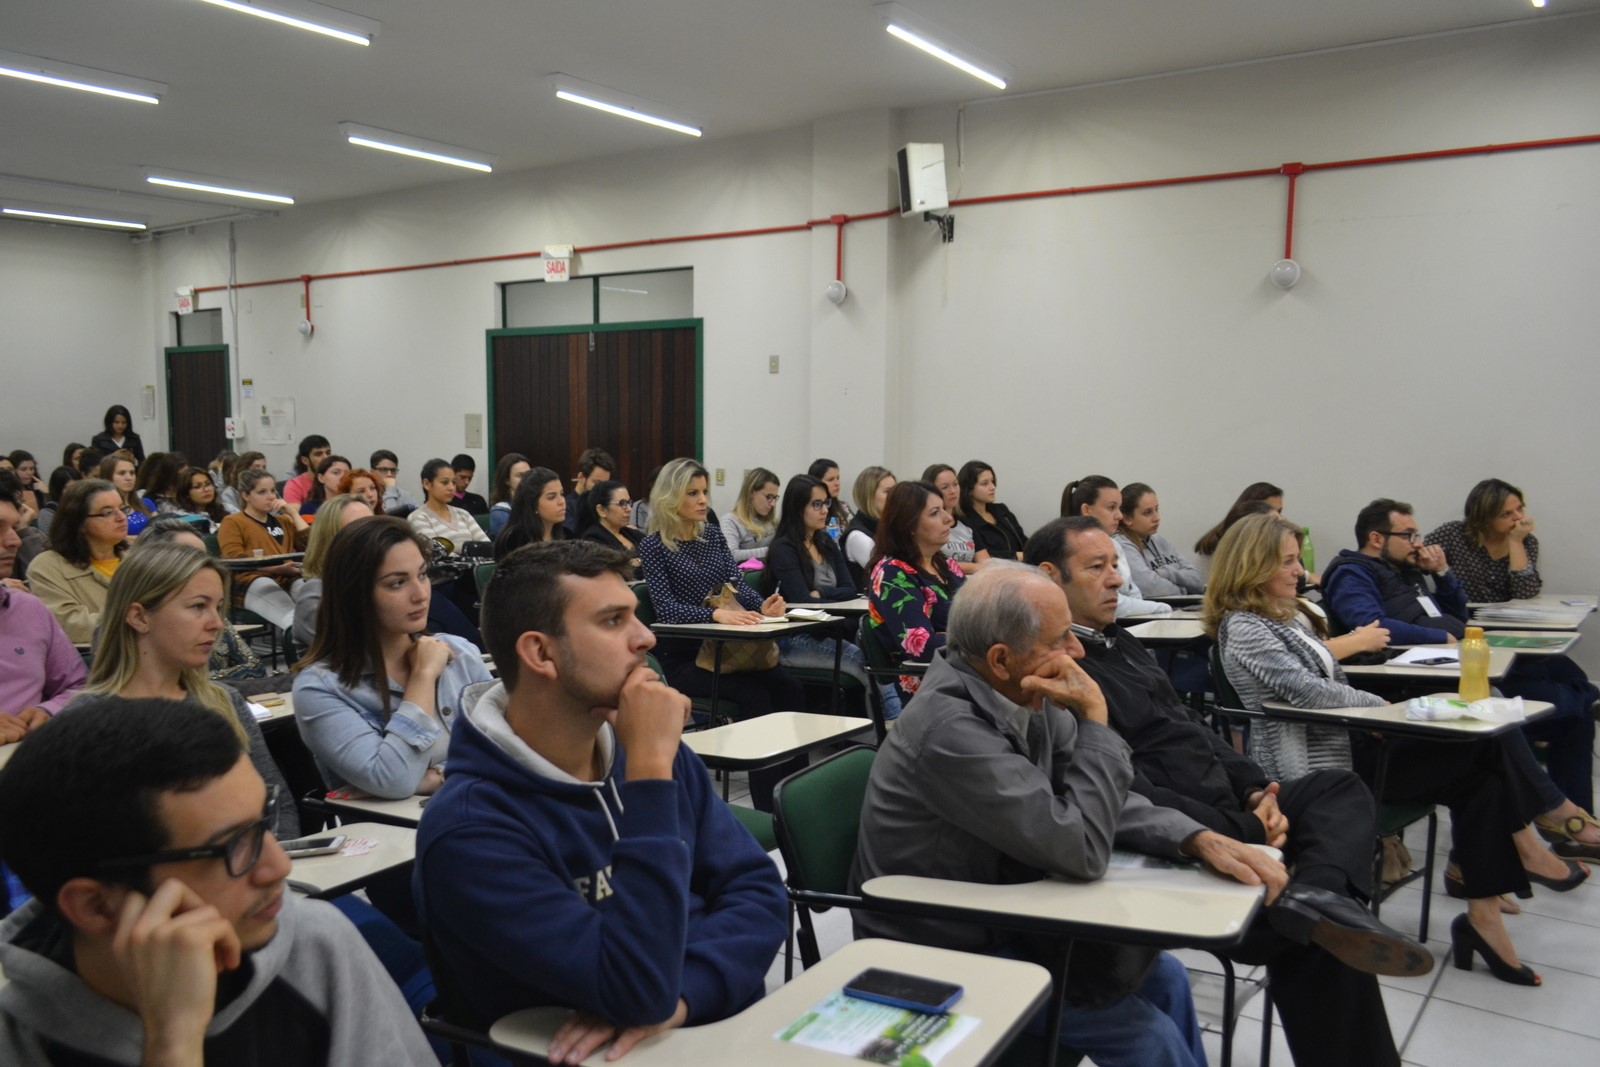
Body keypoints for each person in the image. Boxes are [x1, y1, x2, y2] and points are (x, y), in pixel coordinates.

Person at [1027, 516, 1433, 1067]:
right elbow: (1127, 792)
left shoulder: (1118, 641)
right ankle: (1311, 909)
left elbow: (1190, 728)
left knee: (1337, 789)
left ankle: (1314, 899)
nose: (1117, 580)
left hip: (1226, 807)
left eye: (1114, 565)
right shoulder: (1058, 671)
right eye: (1097, 568)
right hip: (1173, 838)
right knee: (1316, 948)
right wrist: (1243, 828)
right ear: (1051, 577)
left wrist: (1252, 789)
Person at [852, 562, 1283, 1067]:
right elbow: (1078, 848)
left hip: (1003, 911)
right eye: (1061, 640)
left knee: (1165, 979)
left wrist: (1193, 837)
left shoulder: (1016, 691)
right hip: (937, 942)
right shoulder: (949, 732)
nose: (1077, 652)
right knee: (1146, 1039)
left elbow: (1095, 794)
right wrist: (1096, 719)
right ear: (1001, 658)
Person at [415, 540, 789, 1047]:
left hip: (712, 1030)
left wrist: (682, 997)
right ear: (540, 652)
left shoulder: (650, 749)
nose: (647, 638)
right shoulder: (470, 829)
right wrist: (651, 776)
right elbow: (636, 991)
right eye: (614, 621)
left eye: (635, 616)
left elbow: (759, 892)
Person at [1210, 512, 1593, 987]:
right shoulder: (1245, 627)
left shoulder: (1287, 617)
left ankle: (1486, 912)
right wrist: (1381, 706)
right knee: (1482, 750)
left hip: (1348, 742)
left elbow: (1325, 679)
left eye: (1295, 560)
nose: (1300, 571)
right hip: (1319, 769)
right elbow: (1309, 691)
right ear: (1251, 567)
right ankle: (1540, 830)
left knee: (1484, 777)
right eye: (1286, 562)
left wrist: (1377, 708)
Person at [0, 698, 436, 1066]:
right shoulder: (20, 1043)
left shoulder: (312, 941)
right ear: (95, 906)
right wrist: (175, 1041)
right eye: (232, 847)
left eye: (262, 820)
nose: (278, 868)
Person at [1323, 498, 1600, 816]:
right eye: (1409, 535)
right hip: (1423, 677)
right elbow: (1371, 626)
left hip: (1458, 655)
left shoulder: (1406, 572)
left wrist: (1441, 574)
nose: (1418, 544)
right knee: (1547, 695)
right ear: (1376, 538)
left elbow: (1456, 615)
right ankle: (1588, 702)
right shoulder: (1352, 573)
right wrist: (1438, 637)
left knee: (1569, 705)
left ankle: (1577, 825)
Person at [77, 543, 298, 840]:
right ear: (139, 617)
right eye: (198, 606)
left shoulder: (222, 701)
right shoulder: (85, 723)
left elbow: (277, 803)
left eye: (218, 607)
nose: (217, 623)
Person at [638, 457, 802, 810]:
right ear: (670, 497)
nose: (703, 501)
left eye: (705, 492)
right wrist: (715, 614)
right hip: (685, 658)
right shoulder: (653, 546)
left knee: (790, 687)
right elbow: (665, 609)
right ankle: (769, 805)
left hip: (730, 651)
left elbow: (738, 584)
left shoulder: (711, 535)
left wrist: (763, 607)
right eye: (692, 493)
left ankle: (798, 791)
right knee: (754, 697)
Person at [293, 516, 491, 800]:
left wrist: (436, 776)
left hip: (484, 819)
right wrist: (423, 676)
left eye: (422, 575)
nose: (421, 595)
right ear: (354, 594)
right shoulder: (320, 689)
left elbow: (508, 749)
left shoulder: (457, 651)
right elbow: (395, 778)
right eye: (397, 583)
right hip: (394, 839)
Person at [768, 475, 900, 719]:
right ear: (798, 508)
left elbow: (850, 588)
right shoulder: (784, 549)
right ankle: (888, 727)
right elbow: (802, 603)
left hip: (832, 629)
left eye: (826, 503)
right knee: (865, 662)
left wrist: (822, 593)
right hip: (794, 638)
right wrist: (823, 598)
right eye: (816, 504)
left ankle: (896, 722)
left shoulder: (826, 541)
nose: (824, 510)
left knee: (881, 648)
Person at [862, 481, 965, 703]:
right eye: (935, 513)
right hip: (926, 686)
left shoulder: (946, 565)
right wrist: (981, 639)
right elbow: (923, 647)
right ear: (909, 525)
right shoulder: (892, 574)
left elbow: (979, 615)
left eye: (945, 510)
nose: (949, 519)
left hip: (962, 672)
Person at [132, 521, 269, 685]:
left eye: (204, 558)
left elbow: (255, 667)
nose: (216, 624)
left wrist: (203, 683)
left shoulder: (212, 614)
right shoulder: (130, 628)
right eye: (190, 559)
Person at [0, 489, 84, 743]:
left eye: (15, 527)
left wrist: (48, 711)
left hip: (29, 763)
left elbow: (79, 687)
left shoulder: (29, 609)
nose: (15, 541)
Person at [27, 478, 127, 643]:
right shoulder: (47, 566)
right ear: (79, 522)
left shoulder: (137, 556)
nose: (121, 517)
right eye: (108, 512)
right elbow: (69, 625)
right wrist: (134, 617)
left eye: (122, 509)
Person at [1064, 475, 1172, 618]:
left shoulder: (1114, 544)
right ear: (1086, 510)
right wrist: (1160, 608)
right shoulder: (1071, 547)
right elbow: (1108, 601)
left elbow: (1133, 592)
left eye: (1119, 508)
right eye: (1111, 508)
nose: (1119, 516)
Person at [216, 469, 309, 634]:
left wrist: (293, 513)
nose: (271, 496)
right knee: (291, 617)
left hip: (286, 577)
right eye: (262, 492)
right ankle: (299, 649)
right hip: (251, 579)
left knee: (312, 602)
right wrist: (276, 569)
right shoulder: (233, 522)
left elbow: (310, 546)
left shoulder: (284, 521)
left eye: (273, 491)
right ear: (246, 496)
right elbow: (236, 560)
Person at [1425, 477, 1542, 602]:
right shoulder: (1452, 533)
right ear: (1485, 518)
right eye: (1506, 514)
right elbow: (1416, 561)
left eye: (1519, 509)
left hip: (1505, 618)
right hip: (1460, 614)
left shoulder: (1526, 541)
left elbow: (1525, 593)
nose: (1519, 517)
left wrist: (1516, 542)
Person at [291, 494, 374, 650]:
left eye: (373, 526)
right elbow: (357, 655)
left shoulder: (380, 581)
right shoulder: (315, 594)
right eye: (358, 529)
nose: (373, 536)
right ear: (331, 539)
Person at [1114, 482, 1204, 595]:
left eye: (1156, 509)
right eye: (1147, 513)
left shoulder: (1159, 541)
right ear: (1127, 519)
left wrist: (1166, 573)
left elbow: (1198, 580)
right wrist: (1185, 590)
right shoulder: (1122, 545)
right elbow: (1148, 587)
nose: (1156, 518)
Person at [407, 457, 490, 550]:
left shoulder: (463, 514)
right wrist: (470, 548)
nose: (451, 488)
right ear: (427, 484)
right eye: (445, 482)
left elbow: (487, 546)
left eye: (453, 482)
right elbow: (436, 551)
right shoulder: (418, 518)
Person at [493, 465, 568, 560]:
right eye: (551, 497)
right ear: (532, 504)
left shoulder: (566, 534)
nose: (561, 502)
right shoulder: (514, 540)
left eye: (562, 494)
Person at [920, 463, 986, 573]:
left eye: (955, 484)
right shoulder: (928, 524)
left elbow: (984, 562)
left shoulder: (966, 523)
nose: (953, 491)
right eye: (945, 487)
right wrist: (975, 567)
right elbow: (934, 563)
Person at [958, 460, 1026, 561]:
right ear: (969, 490)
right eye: (985, 484)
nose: (993, 487)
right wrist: (1017, 555)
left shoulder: (1002, 511)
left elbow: (1023, 540)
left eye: (992, 482)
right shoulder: (966, 521)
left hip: (1024, 567)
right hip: (994, 572)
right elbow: (982, 555)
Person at [1195, 481, 1284, 557]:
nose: (1278, 518)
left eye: (1279, 511)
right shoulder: (1225, 543)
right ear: (1249, 510)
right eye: (1268, 511)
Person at [579, 479, 643, 576]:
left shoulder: (633, 533)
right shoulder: (592, 540)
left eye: (629, 502)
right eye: (622, 503)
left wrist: (637, 562)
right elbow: (616, 571)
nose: (629, 509)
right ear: (601, 510)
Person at [842, 465, 893, 581]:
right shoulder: (857, 535)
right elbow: (887, 575)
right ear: (869, 495)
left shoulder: (888, 527)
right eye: (888, 492)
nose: (894, 496)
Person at [719, 466, 779, 562]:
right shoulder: (730, 521)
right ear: (751, 492)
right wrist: (774, 551)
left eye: (775, 498)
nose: (773, 504)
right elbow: (731, 555)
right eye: (769, 497)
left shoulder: (773, 522)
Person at [97, 451, 157, 534]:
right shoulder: (104, 510)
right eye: (122, 473)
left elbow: (159, 533)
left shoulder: (146, 503)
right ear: (108, 477)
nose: (129, 478)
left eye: (132, 473)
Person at [563, 446, 616, 534]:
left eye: (605, 484)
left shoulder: (605, 504)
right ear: (581, 477)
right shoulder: (566, 507)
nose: (601, 489)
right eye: (597, 483)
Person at [280, 434, 331, 507]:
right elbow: (293, 516)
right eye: (318, 454)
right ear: (305, 460)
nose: (326, 458)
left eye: (328, 453)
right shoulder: (295, 485)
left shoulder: (337, 480)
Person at [487, 452, 530, 536]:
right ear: (506, 480)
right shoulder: (500, 511)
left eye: (529, 474)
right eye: (520, 475)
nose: (527, 479)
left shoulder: (538, 503)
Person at [175, 464, 227, 531]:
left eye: (208, 484)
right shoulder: (183, 517)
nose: (206, 490)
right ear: (186, 493)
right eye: (197, 487)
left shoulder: (226, 508)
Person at [135, 452, 187, 517]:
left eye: (187, 473)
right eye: (180, 475)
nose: (186, 478)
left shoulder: (187, 494)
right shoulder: (150, 499)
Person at [806, 457, 851, 529]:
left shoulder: (844, 507)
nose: (837, 483)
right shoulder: (811, 510)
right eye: (831, 479)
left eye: (838, 478)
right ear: (817, 482)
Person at [370, 449, 420, 514]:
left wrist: (390, 489)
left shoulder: (405, 495)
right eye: (384, 470)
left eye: (393, 470)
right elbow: (390, 520)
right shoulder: (369, 495)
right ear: (372, 472)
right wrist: (390, 490)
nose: (389, 474)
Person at [6, 451, 46, 516]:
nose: (29, 473)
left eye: (32, 469)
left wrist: (46, 493)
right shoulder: (9, 492)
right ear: (14, 470)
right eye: (23, 469)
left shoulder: (34, 488)